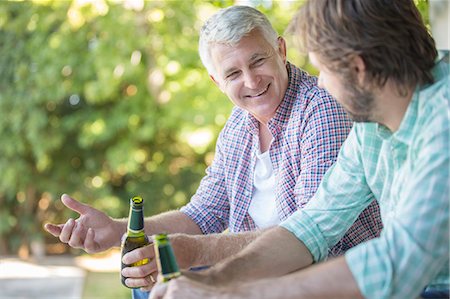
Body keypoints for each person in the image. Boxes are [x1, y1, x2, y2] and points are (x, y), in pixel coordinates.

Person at [44, 5, 382, 299]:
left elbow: (310, 236)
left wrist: (195, 254)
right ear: (216, 81)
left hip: (322, 280)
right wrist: (119, 231)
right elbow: (203, 214)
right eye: (233, 73)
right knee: (148, 284)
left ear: (280, 50)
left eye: (258, 60)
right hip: (259, 275)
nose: (251, 81)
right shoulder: (238, 124)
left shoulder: (320, 109)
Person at [150, 0, 450, 298]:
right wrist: (215, 281)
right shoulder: (370, 125)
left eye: (324, 70)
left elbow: (397, 264)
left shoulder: (444, 121)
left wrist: (238, 293)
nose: (320, 84)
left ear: (358, 69)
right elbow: (313, 224)